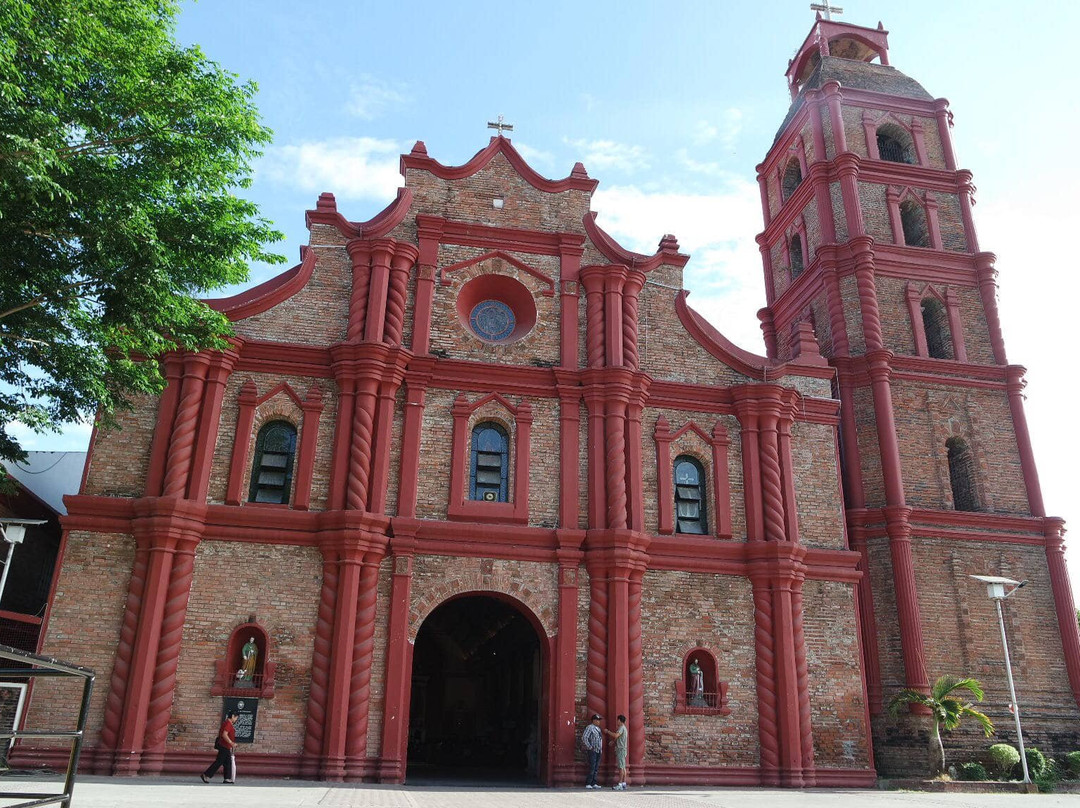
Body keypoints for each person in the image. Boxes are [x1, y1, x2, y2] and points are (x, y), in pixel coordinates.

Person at [201, 710, 238, 783]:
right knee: (219, 762)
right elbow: (224, 734)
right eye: (236, 718)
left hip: (226, 746)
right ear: (233, 716)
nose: (236, 719)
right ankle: (206, 775)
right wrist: (231, 743)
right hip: (224, 746)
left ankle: (227, 778)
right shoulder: (228, 724)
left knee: (227, 762)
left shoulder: (227, 723)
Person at [604, 714, 629, 790]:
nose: (617, 722)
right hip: (623, 749)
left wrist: (608, 731)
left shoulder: (621, 728)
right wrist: (613, 741)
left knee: (621, 767)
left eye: (617, 720)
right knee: (623, 767)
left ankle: (620, 784)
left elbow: (616, 735)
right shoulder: (624, 728)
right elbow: (618, 737)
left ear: (619, 720)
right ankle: (624, 783)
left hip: (621, 749)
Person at [580, 713, 603, 789]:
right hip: (592, 750)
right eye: (597, 720)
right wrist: (590, 747)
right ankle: (588, 783)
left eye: (599, 720)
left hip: (598, 750)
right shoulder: (590, 727)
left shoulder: (598, 729)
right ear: (593, 720)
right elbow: (584, 737)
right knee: (592, 767)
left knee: (596, 767)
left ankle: (594, 782)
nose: (599, 722)